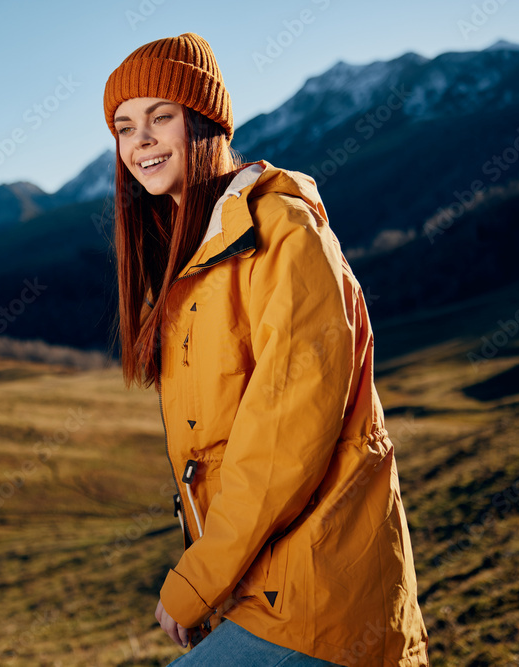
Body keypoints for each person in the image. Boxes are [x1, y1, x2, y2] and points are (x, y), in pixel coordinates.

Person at [102, 33, 430, 666]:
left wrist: (199, 577)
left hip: (323, 602)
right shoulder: (196, 251)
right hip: (262, 590)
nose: (140, 141)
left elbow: (283, 440)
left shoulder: (281, 233)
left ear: (205, 122)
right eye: (124, 126)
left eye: (160, 117)